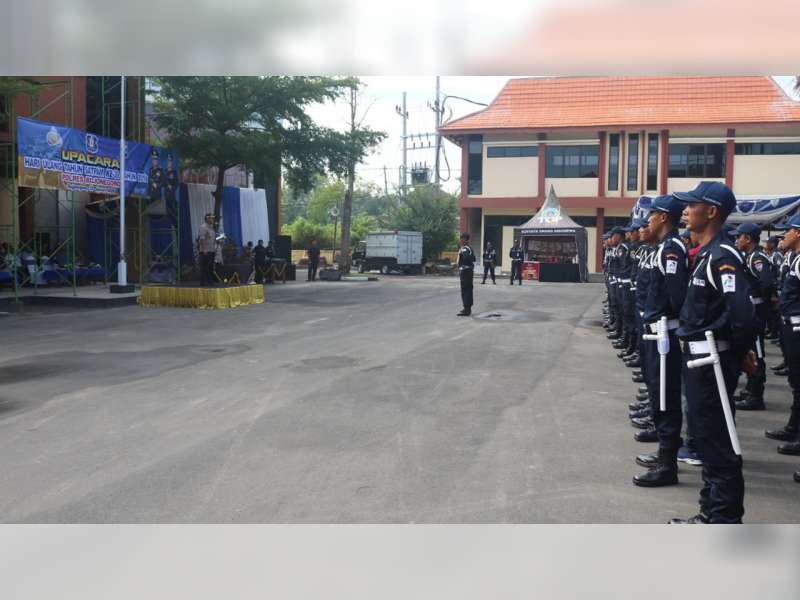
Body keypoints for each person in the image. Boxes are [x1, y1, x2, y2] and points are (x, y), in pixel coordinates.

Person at [671, 181, 757, 524]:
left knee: (718, 442)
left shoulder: (722, 256)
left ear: (712, 212)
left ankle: (722, 519)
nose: (686, 210)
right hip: (700, 359)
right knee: (706, 439)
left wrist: (737, 354)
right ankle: (711, 511)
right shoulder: (706, 254)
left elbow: (743, 315)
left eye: (693, 205)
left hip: (712, 362)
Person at [632, 196, 688, 487]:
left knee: (666, 399)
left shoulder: (672, 250)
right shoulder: (663, 248)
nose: (648, 220)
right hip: (655, 331)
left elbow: (678, 297)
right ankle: (664, 453)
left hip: (666, 334)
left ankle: (668, 465)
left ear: (664, 217)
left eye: (652, 215)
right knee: (658, 394)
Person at [733, 222, 776, 411]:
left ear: (748, 239)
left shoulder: (757, 258)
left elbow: (766, 283)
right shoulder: (750, 256)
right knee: (751, 347)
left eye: (739, 236)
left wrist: (760, 300)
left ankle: (756, 396)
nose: (736, 240)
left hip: (757, 310)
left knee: (757, 351)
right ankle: (751, 388)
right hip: (753, 309)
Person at [768, 213, 800, 461]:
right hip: (790, 326)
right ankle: (793, 428)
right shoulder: (794, 258)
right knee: (796, 383)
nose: (784, 236)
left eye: (787, 231)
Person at [457, 232, 476, 316]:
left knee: (465, 290)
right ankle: (468, 308)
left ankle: (466, 309)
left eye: (461, 239)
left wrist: (464, 265)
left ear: (465, 240)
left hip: (465, 271)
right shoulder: (470, 248)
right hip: (469, 271)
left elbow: (466, 257)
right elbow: (474, 259)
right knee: (468, 289)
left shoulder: (464, 248)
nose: (460, 240)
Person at [197, 213, 216, 287]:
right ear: (207, 219)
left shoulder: (211, 227)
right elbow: (202, 239)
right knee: (205, 268)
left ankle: (210, 282)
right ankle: (204, 284)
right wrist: (204, 249)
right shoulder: (203, 227)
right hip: (206, 251)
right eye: (211, 218)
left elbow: (210, 238)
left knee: (210, 267)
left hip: (211, 250)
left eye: (213, 218)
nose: (213, 220)